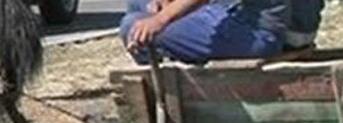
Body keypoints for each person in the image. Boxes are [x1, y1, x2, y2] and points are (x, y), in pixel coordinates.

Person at [119, 0, 290, 64]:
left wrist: (162, 18)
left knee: (131, 26)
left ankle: (165, 99)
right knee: (139, 4)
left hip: (254, 32)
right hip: (243, 19)